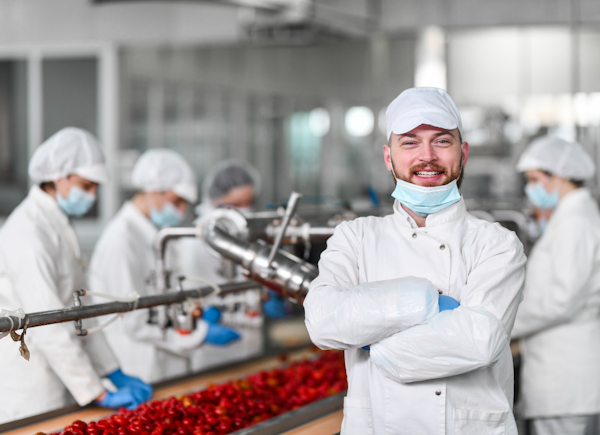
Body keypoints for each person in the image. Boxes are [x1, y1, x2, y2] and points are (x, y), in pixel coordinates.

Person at [303, 87, 526, 434]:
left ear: (463, 153)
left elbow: (478, 341)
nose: (427, 156)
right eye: (409, 142)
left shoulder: (496, 243)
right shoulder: (356, 237)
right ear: (388, 157)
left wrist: (372, 338)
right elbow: (320, 321)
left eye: (441, 141)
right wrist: (424, 303)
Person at [0, 128, 152, 424]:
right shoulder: (27, 233)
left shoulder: (56, 225)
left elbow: (79, 310)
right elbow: (46, 323)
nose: (92, 195)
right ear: (59, 176)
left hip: (63, 377)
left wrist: (111, 370)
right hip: (33, 385)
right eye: (86, 185)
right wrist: (98, 392)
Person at [89, 149, 240, 384]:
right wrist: (199, 333)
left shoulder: (159, 236)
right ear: (153, 192)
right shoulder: (121, 241)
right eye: (176, 201)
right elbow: (134, 323)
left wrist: (194, 313)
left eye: (184, 204)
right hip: (140, 368)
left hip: (168, 365)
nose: (181, 211)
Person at [512, 136, 600, 435]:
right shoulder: (570, 217)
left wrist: (504, 323)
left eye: (535, 179)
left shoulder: (576, 221)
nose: (531, 188)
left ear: (558, 176)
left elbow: (561, 299)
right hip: (561, 376)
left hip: (565, 379)